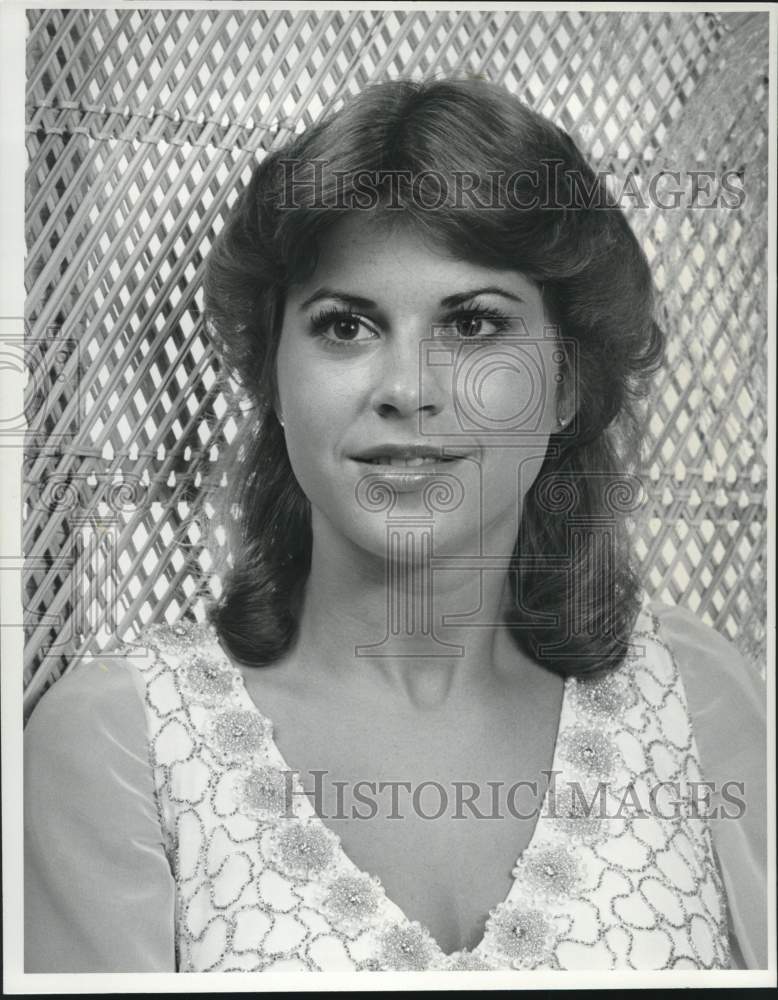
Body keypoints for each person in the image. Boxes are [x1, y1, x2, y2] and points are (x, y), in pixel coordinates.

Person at [24, 78, 766, 973]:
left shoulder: (701, 704)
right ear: (273, 378)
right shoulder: (118, 744)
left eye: (474, 324)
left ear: (568, 383)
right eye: (345, 326)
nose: (407, 387)